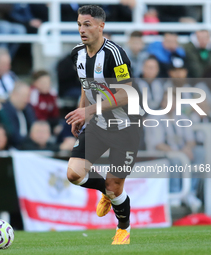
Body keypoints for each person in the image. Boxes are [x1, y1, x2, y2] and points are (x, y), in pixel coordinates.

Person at [65, 5, 143, 245]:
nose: (82, 29)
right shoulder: (77, 53)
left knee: (115, 186)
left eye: (87, 24)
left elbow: (127, 92)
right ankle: (105, 193)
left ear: (101, 26)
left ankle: (123, 229)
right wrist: (83, 114)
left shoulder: (114, 54)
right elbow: (85, 84)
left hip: (126, 127)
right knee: (74, 174)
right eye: (79, 24)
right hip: (98, 124)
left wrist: (87, 110)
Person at [0, 82, 35, 147]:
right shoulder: (4, 110)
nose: (27, 100)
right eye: (25, 96)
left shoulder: (26, 110)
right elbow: (13, 135)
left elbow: (34, 125)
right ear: (15, 94)